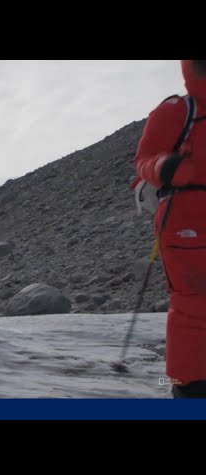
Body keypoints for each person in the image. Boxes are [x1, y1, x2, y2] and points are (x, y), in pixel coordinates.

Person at [134, 60, 206, 398]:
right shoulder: (177, 111)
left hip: (186, 225)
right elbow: (144, 160)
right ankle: (190, 388)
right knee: (194, 304)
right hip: (186, 226)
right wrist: (167, 167)